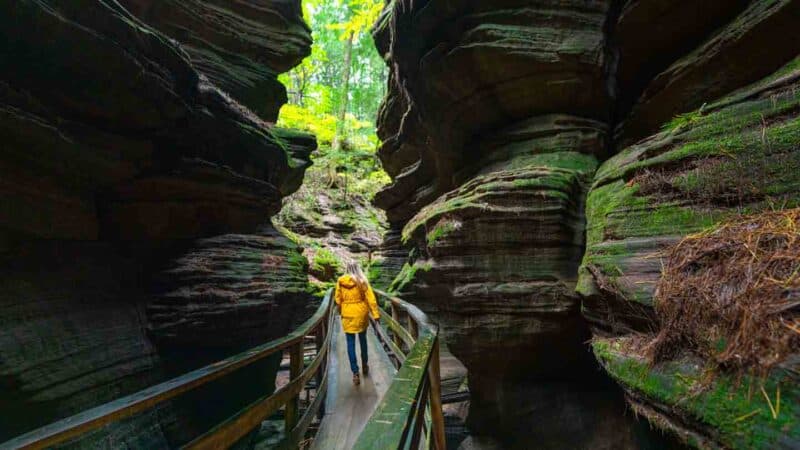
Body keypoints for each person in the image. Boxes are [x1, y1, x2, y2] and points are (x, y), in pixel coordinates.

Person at [335, 260, 380, 386]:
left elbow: (338, 299)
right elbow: (371, 299)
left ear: (347, 268)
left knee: (350, 343)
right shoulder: (362, 280)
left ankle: (355, 372)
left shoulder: (340, 281)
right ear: (357, 267)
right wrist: (375, 314)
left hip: (347, 313)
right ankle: (365, 365)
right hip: (361, 313)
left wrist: (341, 311)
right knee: (363, 340)